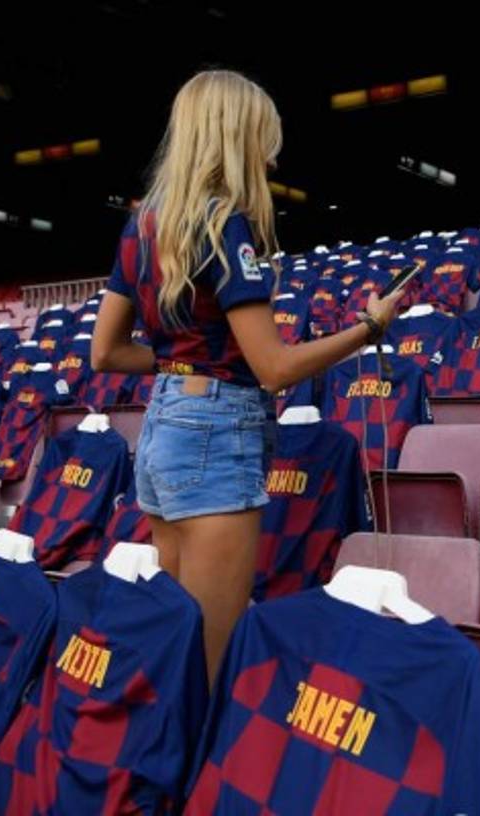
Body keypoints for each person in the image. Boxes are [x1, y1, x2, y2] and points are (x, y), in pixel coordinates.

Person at [92, 70, 403, 683]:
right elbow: (275, 368)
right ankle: (200, 778)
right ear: (238, 136)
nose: (273, 152)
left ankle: (160, 773)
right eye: (267, 136)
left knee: (172, 643)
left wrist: (190, 361)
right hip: (214, 430)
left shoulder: (142, 225)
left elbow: (106, 353)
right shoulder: (224, 223)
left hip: (163, 424)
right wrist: (368, 328)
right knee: (210, 660)